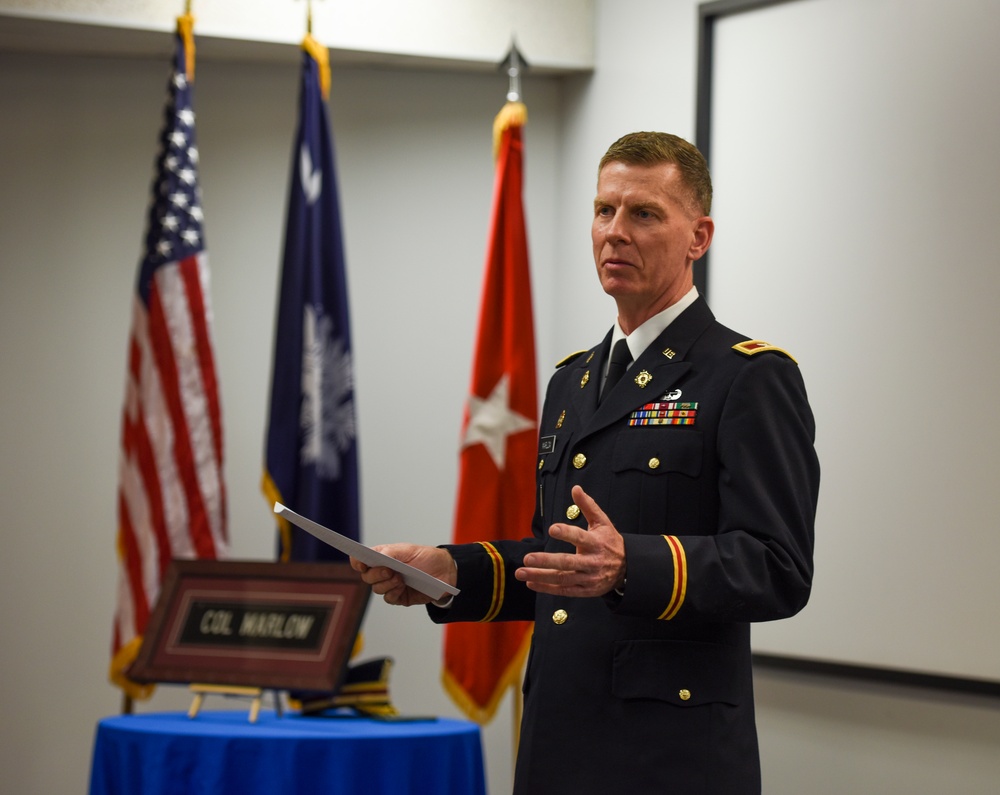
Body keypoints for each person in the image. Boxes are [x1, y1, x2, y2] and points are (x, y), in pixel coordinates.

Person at [351, 131, 819, 794]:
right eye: (604, 211)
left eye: (644, 214)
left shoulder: (747, 377)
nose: (615, 232)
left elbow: (777, 566)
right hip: (559, 738)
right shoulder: (572, 382)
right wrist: (451, 570)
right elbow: (560, 562)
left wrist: (633, 563)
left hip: (668, 757)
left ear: (699, 236)